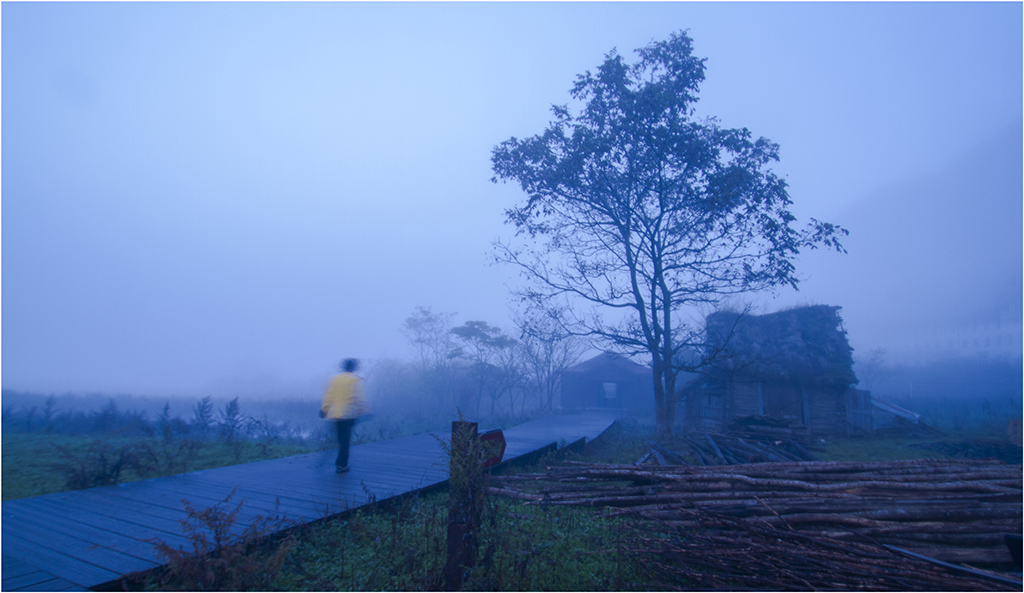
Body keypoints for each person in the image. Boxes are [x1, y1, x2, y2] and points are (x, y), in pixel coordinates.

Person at [320, 358, 369, 473]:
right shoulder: (355, 380)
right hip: (348, 415)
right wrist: (363, 411)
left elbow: (329, 396)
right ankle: (342, 465)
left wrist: (324, 410)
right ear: (353, 367)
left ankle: (339, 462)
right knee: (345, 441)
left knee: (341, 440)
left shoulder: (334, 380)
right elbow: (359, 398)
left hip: (336, 415)